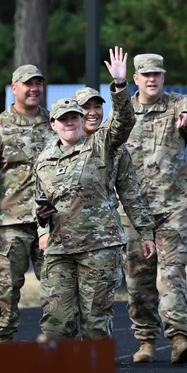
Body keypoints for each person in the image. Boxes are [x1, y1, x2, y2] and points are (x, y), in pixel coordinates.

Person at [34, 47, 135, 340]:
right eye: (63, 119)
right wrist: (41, 222)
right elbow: (39, 200)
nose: (70, 122)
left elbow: (124, 122)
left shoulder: (100, 144)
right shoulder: (43, 159)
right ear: (53, 124)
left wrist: (118, 85)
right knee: (56, 321)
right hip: (59, 248)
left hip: (97, 246)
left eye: (74, 118)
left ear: (81, 121)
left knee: (95, 322)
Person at [123, 53, 187, 364]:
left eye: (157, 74)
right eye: (146, 75)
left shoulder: (177, 103)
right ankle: (146, 340)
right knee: (137, 277)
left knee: (172, 272)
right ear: (136, 79)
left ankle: (179, 338)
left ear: (163, 76)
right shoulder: (124, 113)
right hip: (132, 212)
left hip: (171, 206)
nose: (152, 79)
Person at [0, 65, 52, 343]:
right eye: (28, 84)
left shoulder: (54, 123)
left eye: (38, 84)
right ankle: (4, 344)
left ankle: (56, 341)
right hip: (9, 224)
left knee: (57, 287)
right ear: (14, 87)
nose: (34, 89)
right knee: (8, 287)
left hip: (49, 224)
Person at [73, 85, 156, 261]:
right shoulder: (60, 146)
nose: (93, 112)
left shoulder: (114, 146)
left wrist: (145, 232)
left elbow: (130, 191)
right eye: (86, 107)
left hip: (104, 236)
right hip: (67, 238)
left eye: (97, 106)